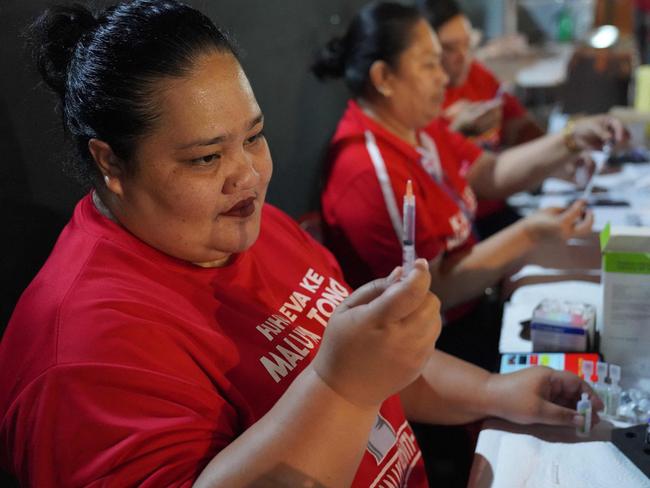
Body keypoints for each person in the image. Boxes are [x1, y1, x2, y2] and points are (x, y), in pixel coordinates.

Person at [0, 1, 602, 487]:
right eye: (206, 157)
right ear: (111, 162)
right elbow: (353, 377)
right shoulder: (80, 357)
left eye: (254, 138)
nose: (249, 176)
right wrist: (340, 388)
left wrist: (495, 391)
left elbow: (379, 364)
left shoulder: (246, 227)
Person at [314, 2, 625, 369]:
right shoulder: (370, 171)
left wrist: (571, 140)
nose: (444, 78)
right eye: (430, 63)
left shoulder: (416, 126)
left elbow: (489, 173)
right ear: (383, 78)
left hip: (474, 309)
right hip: (434, 349)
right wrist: (530, 233)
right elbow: (436, 290)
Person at [416, 0, 545, 150]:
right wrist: (452, 130)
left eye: (467, 44)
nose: (463, 57)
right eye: (450, 48)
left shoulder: (476, 74)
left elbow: (521, 125)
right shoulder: (418, 100)